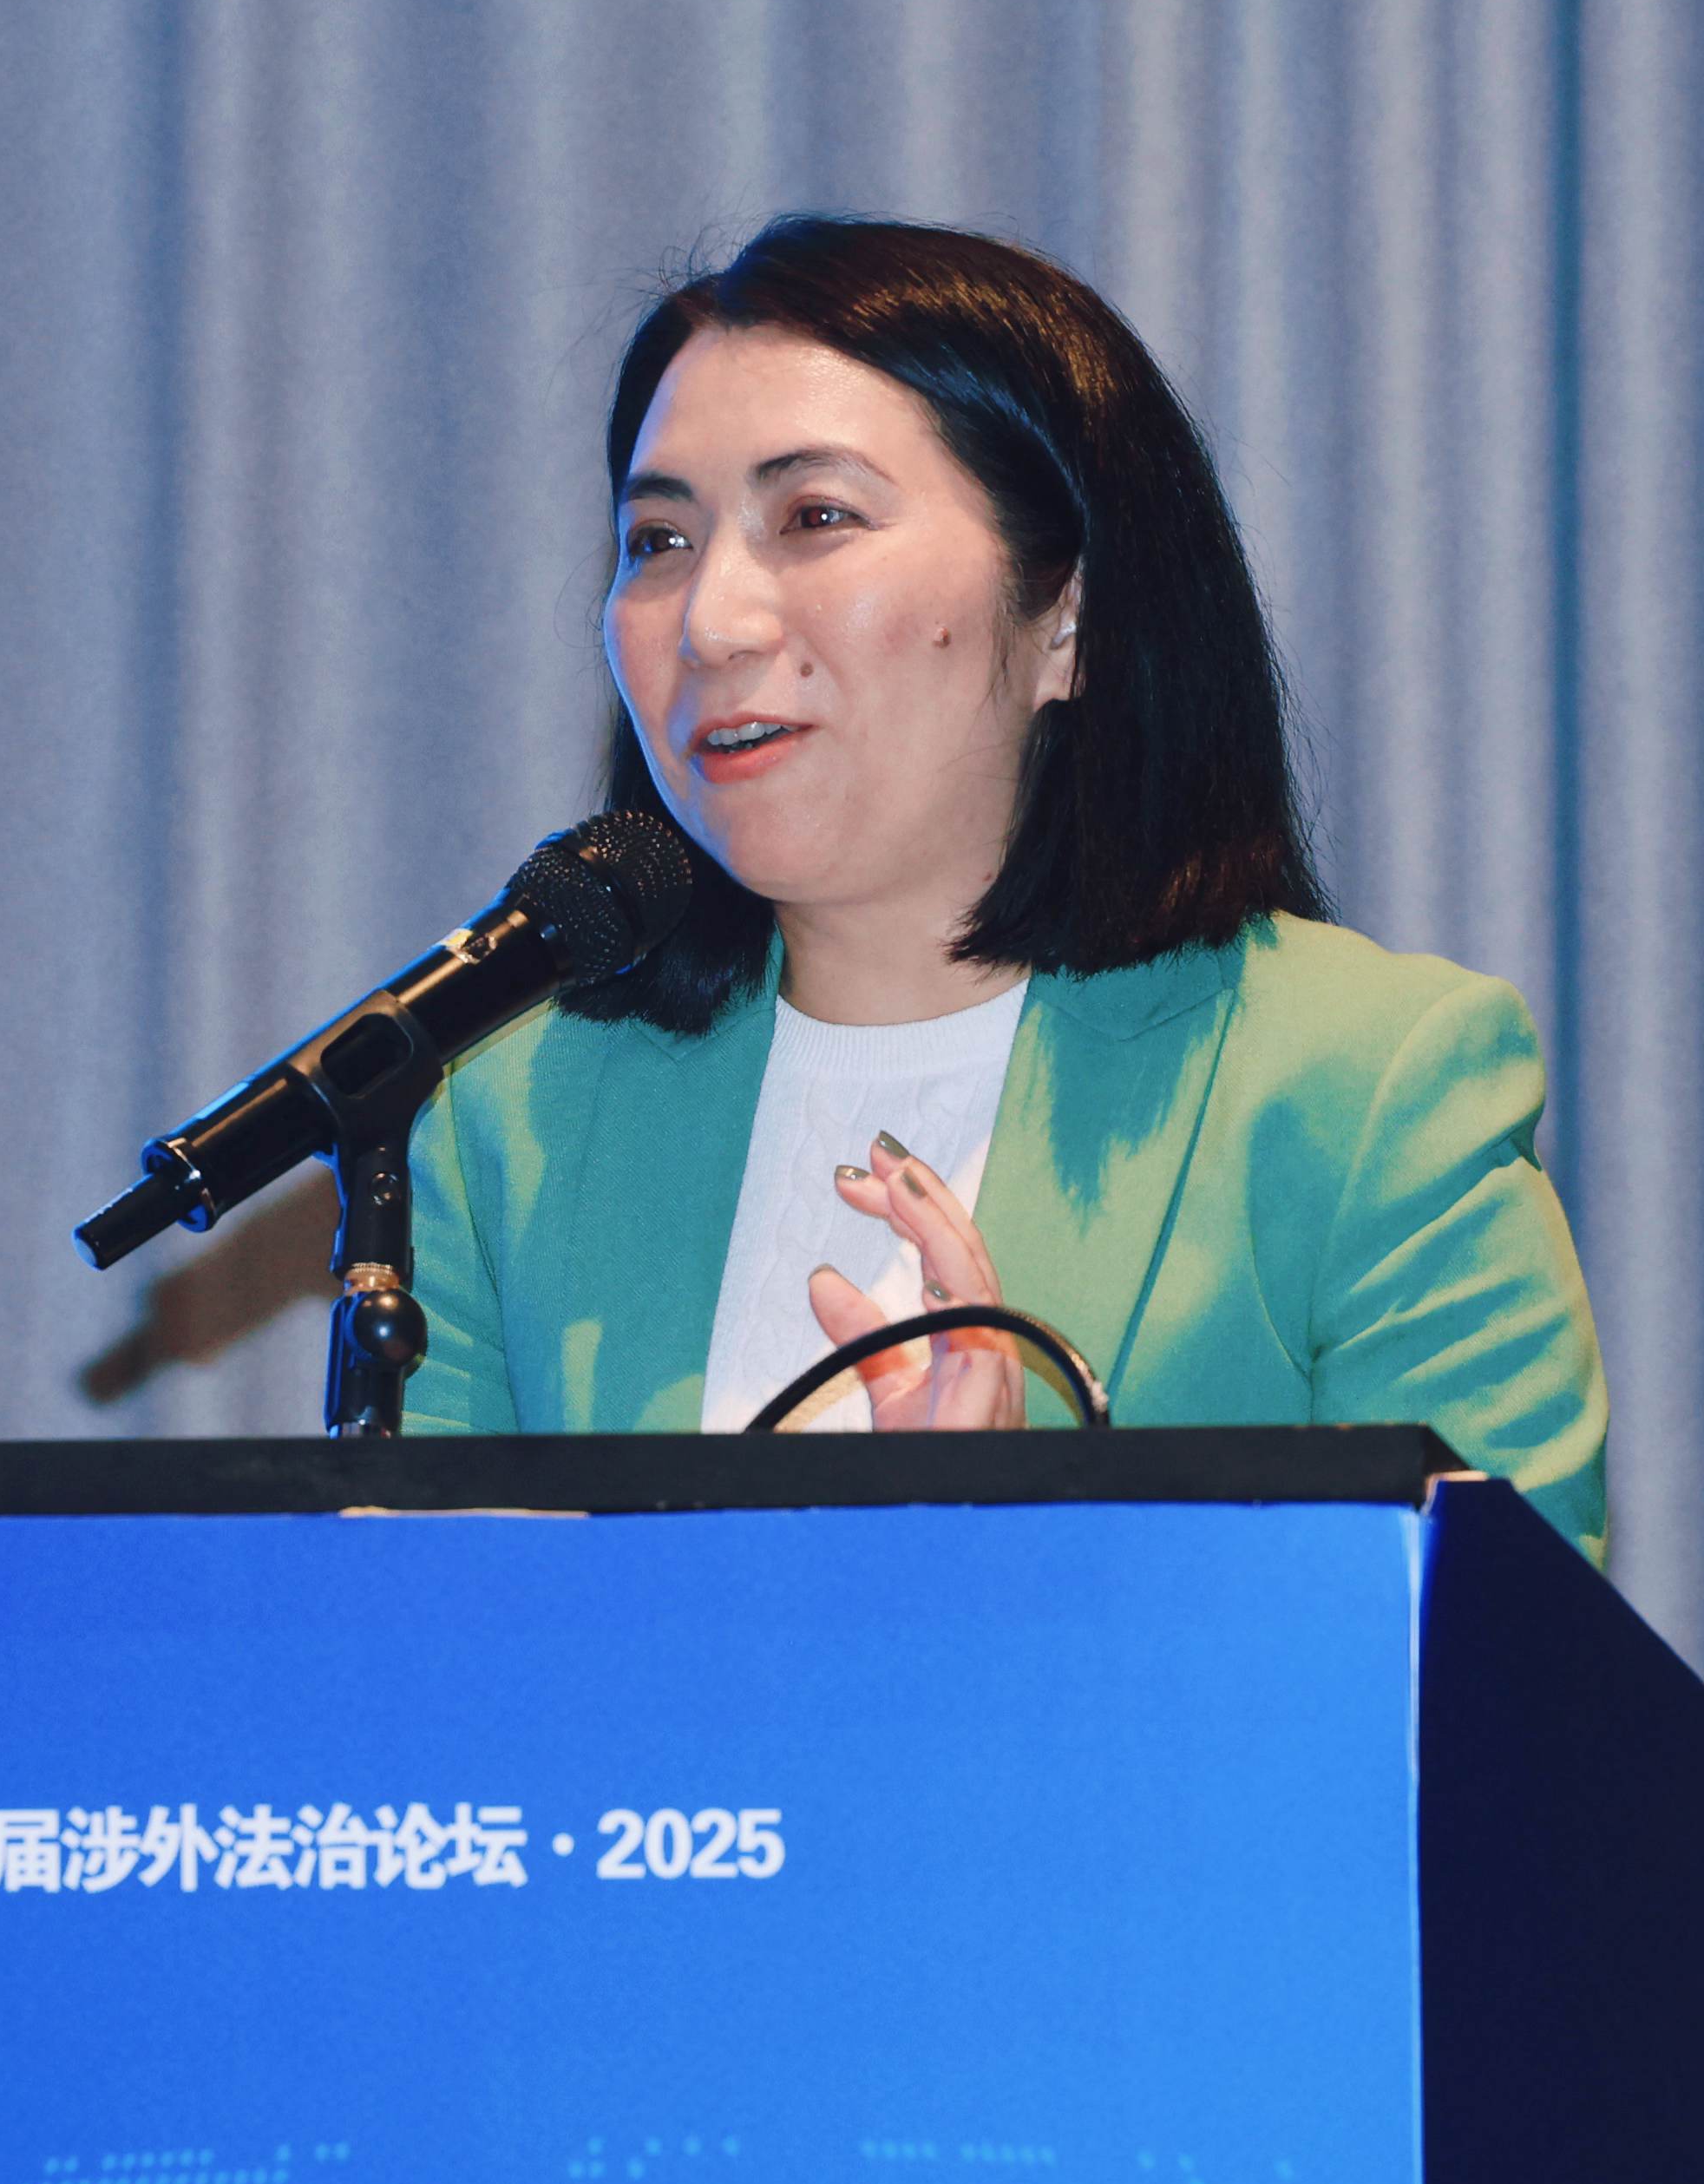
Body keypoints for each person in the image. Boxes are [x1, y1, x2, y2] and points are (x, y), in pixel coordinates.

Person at [401, 215, 1610, 1559]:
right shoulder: (508, 1123)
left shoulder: (1361, 1093)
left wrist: (999, 1566)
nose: (713, 622)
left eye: (815, 518)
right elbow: (421, 1664)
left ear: (1067, 620)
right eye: (658, 540)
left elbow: (1494, 1677)